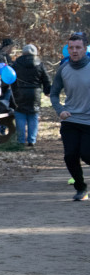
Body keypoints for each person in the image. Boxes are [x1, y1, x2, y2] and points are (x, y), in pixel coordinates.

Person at [50, 31, 90, 201]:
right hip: (71, 119)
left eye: (78, 47)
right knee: (70, 155)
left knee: (87, 155)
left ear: (85, 49)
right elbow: (53, 93)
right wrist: (60, 110)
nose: (74, 51)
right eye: (71, 47)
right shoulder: (63, 68)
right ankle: (81, 188)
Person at [11, 44, 52, 147]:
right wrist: (48, 91)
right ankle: (32, 140)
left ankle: (21, 140)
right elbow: (46, 79)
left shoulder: (16, 63)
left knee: (20, 115)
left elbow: (11, 78)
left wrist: (11, 90)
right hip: (35, 93)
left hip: (20, 92)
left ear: (23, 52)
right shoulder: (40, 64)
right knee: (33, 115)